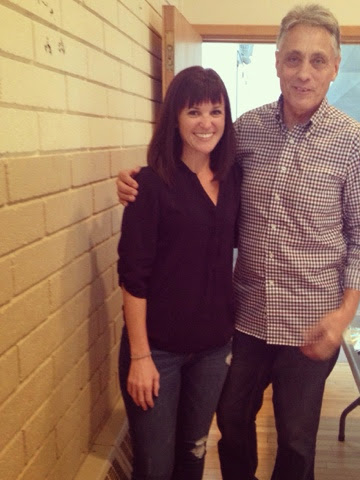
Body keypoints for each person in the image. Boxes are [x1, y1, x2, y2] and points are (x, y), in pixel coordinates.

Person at [117, 5, 360, 479]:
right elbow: (194, 171)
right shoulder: (247, 130)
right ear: (277, 62)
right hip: (244, 320)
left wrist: (343, 316)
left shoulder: (353, 142)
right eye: (293, 58)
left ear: (335, 67)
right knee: (232, 422)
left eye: (318, 60)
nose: (304, 73)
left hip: (310, 325)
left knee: (296, 440)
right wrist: (139, 180)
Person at [117, 66, 240, 480]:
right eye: (194, 112)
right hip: (157, 352)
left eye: (215, 111)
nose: (206, 123)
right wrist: (140, 357)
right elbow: (133, 277)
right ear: (174, 118)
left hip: (212, 350)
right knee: (155, 467)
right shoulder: (150, 186)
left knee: (193, 456)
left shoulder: (233, 178)